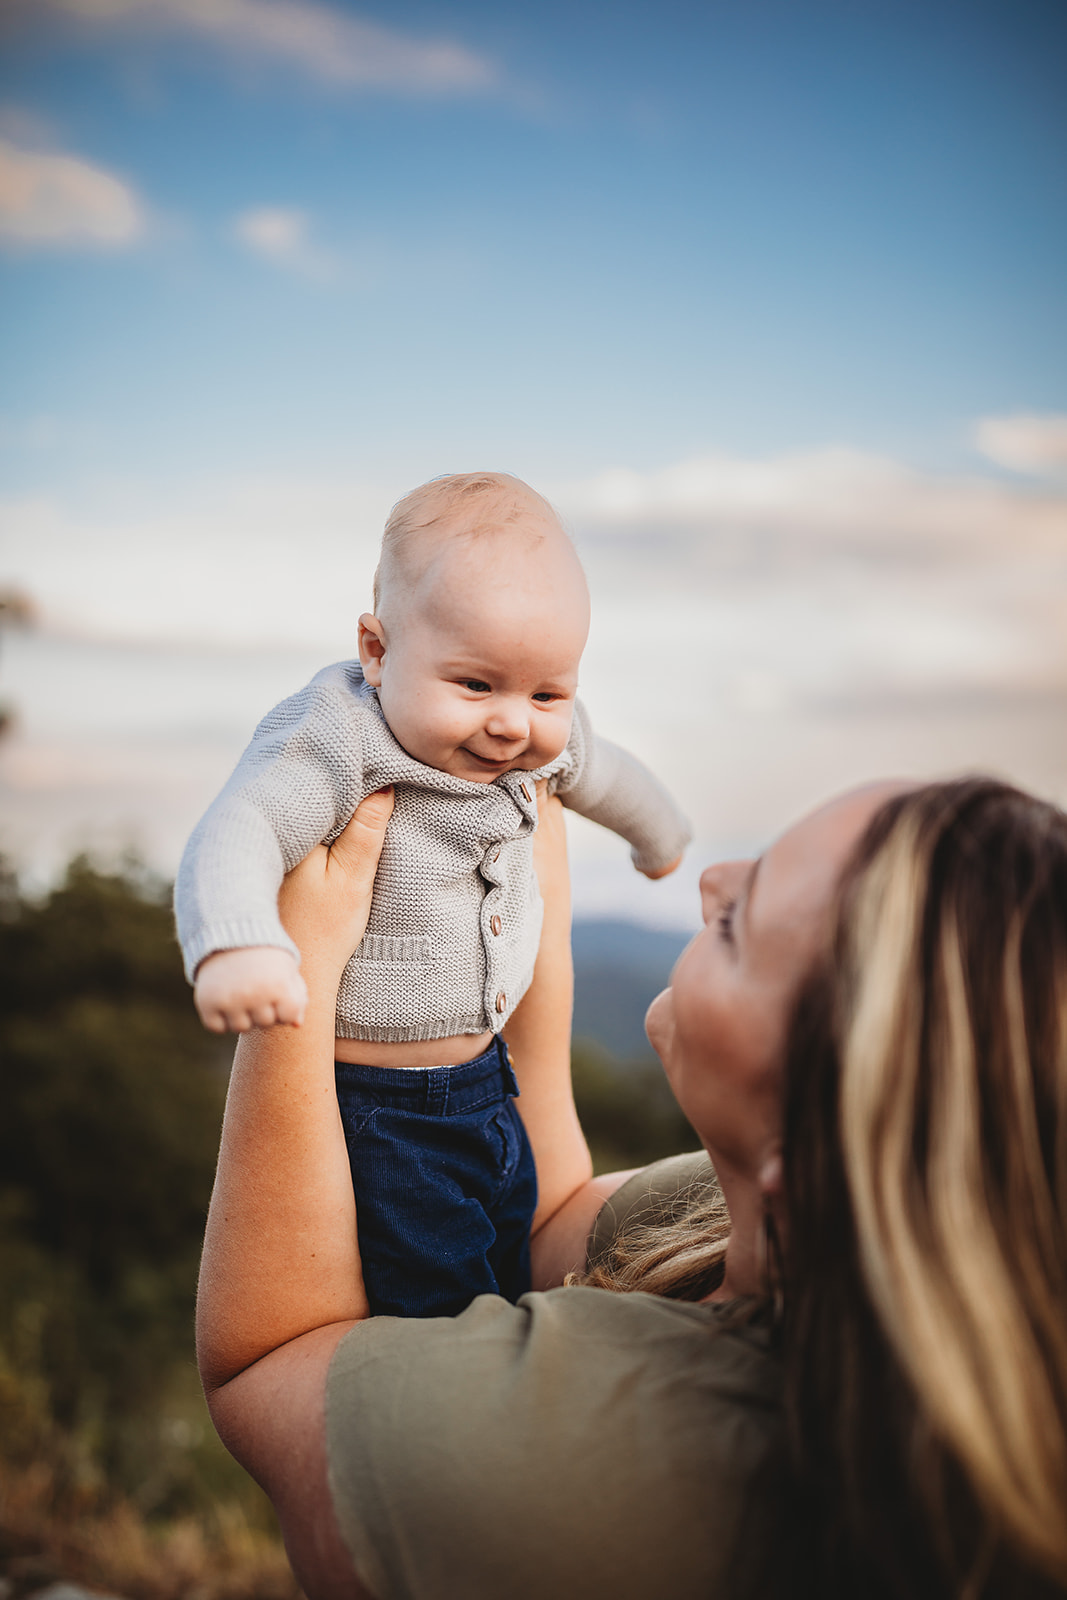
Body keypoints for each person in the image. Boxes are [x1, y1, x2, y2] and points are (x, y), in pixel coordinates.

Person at [196, 776, 1067, 1600]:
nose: (710, 884)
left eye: (740, 923)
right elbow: (543, 1218)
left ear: (811, 1152)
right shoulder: (778, 1230)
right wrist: (527, 904)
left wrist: (297, 964)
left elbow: (268, 1366)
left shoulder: (584, 1473)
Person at [177, 471, 689, 1315]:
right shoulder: (341, 735)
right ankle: (452, 1423)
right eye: (475, 685)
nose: (513, 724)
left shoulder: (532, 741)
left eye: (548, 694)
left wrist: (660, 839)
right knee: (443, 1310)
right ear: (377, 652)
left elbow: (604, 771)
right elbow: (242, 825)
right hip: (383, 1115)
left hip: (493, 1086)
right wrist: (236, 941)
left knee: (510, 1257)